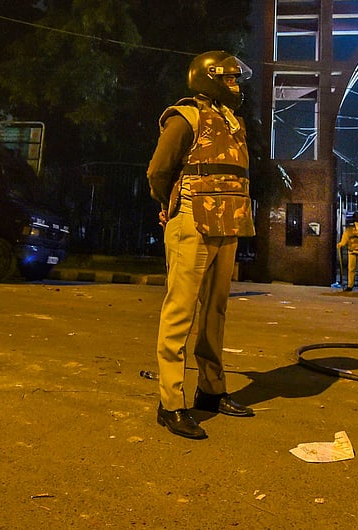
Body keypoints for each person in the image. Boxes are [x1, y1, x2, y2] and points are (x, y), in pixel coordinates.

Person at [146, 50, 257, 440]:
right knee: (180, 313)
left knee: (215, 312)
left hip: (228, 224)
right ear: (209, 78)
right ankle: (170, 403)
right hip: (192, 220)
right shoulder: (186, 117)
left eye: (236, 79)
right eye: (229, 79)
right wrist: (168, 204)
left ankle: (211, 390)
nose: (235, 86)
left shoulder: (232, 123)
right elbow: (158, 171)